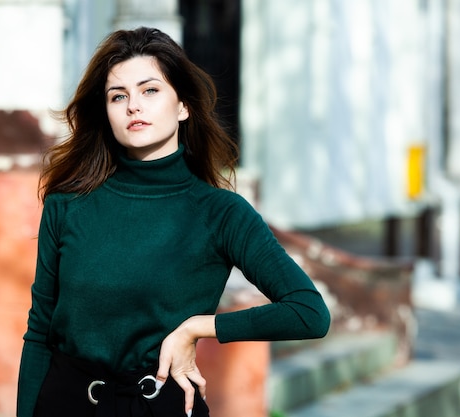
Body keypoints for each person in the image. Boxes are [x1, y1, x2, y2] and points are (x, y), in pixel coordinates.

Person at [17, 27, 330, 417]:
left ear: (183, 106)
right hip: (66, 405)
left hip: (160, 406)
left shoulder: (221, 213)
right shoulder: (68, 203)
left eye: (150, 91)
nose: (134, 106)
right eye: (119, 96)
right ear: (107, 113)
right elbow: (39, 332)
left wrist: (198, 327)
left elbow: (309, 312)